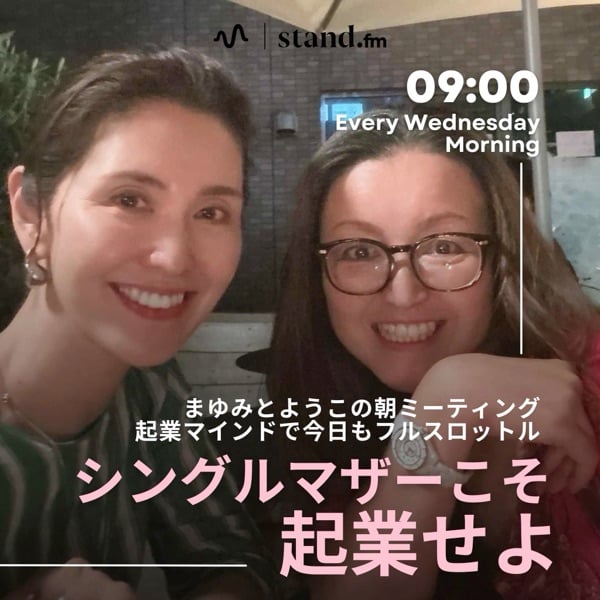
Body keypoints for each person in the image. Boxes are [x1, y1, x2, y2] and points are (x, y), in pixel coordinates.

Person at [266, 108, 600, 599]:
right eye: (358, 252)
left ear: (503, 260)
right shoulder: (327, 418)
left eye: (444, 247)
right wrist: (443, 408)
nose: (402, 295)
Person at [0, 47, 279, 599]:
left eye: (211, 213)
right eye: (129, 199)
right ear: (32, 214)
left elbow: (225, 551)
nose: (174, 258)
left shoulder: (149, 391)